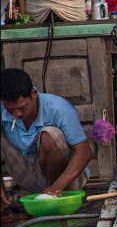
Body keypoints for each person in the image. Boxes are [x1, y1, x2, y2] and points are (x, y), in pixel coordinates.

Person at [1, 68, 92, 206]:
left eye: (22, 108)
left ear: (34, 93)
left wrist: (55, 188)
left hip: (65, 183)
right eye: (10, 110)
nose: (16, 114)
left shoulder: (59, 109)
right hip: (27, 175)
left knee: (50, 135)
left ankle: (51, 195)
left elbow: (84, 152)